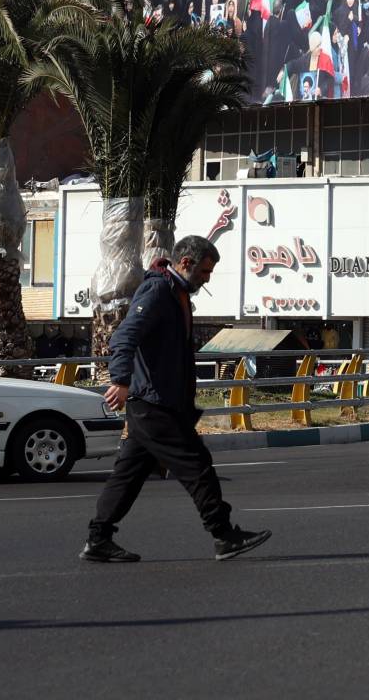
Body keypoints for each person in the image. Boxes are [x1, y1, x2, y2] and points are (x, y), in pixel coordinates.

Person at [84, 236, 270, 563]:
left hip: (157, 403)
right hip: (153, 405)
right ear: (185, 262)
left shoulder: (176, 293)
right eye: (205, 271)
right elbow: (124, 336)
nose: (207, 278)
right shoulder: (157, 292)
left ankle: (98, 539)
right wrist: (121, 380)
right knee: (197, 467)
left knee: (127, 476)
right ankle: (223, 535)